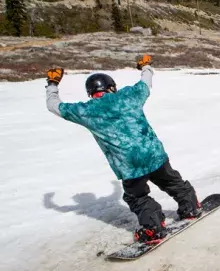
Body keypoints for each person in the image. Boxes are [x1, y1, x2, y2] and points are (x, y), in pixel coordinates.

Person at [45, 55, 201, 244]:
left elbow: (54, 106)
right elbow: (146, 82)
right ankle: (191, 207)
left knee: (137, 197)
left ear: (91, 92)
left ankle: (153, 228)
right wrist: (146, 66)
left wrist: (52, 83)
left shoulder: (86, 111)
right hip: (154, 154)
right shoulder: (129, 96)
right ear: (112, 87)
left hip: (129, 165)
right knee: (171, 181)